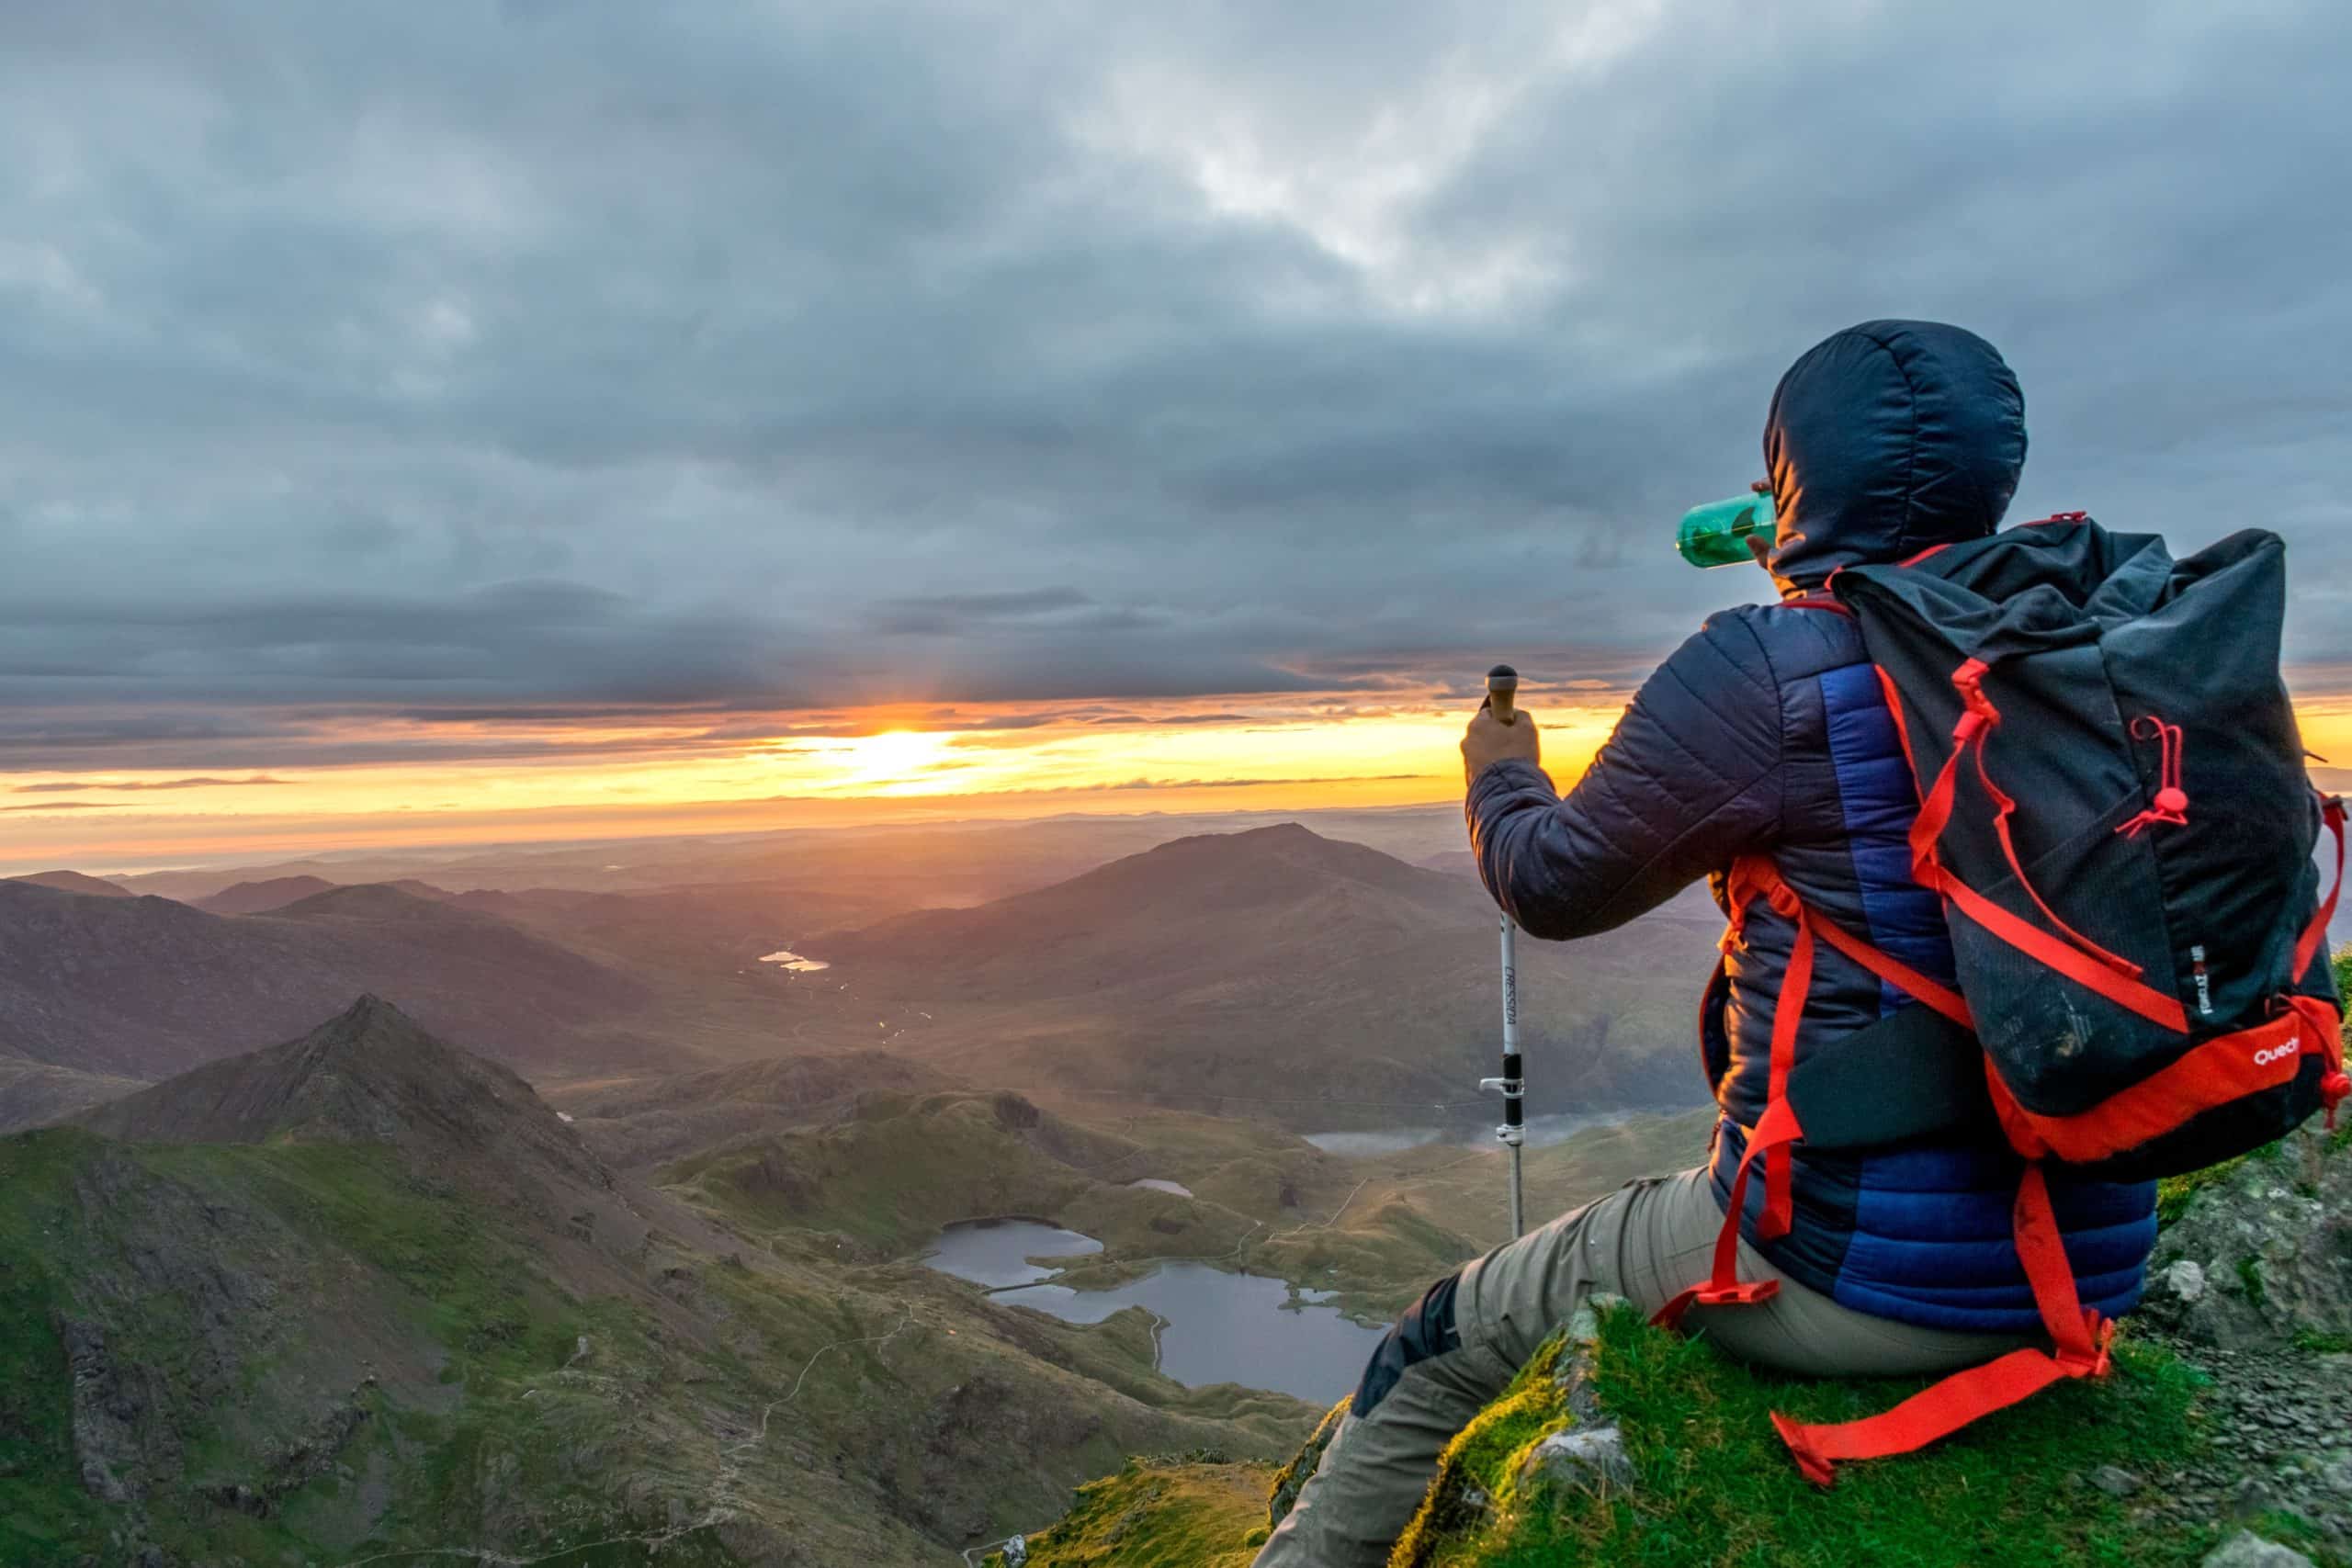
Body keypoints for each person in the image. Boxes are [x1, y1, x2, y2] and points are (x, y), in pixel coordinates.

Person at [1251, 321, 2160, 1568]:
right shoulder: (2097, 649)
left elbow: (1554, 884)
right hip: (2100, 1250)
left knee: (1442, 1331)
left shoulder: (1770, 667)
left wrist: (1501, 775)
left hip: (1856, 1277)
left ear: (1796, 476)